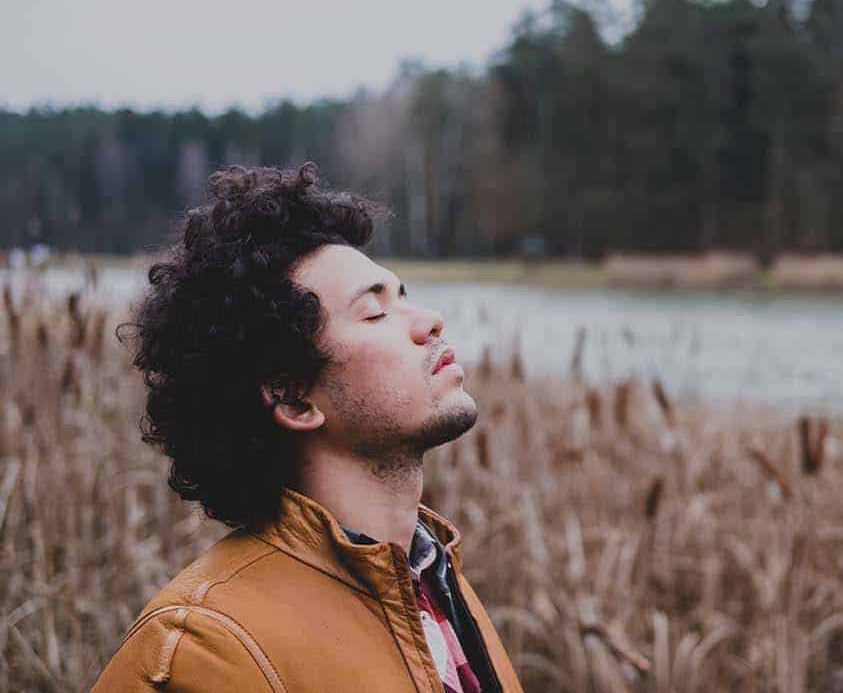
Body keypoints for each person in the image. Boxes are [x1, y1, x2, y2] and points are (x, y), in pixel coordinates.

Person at [93, 163, 522, 693]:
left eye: (403, 296)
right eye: (374, 312)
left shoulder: (436, 583)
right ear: (294, 398)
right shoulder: (207, 650)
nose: (429, 320)